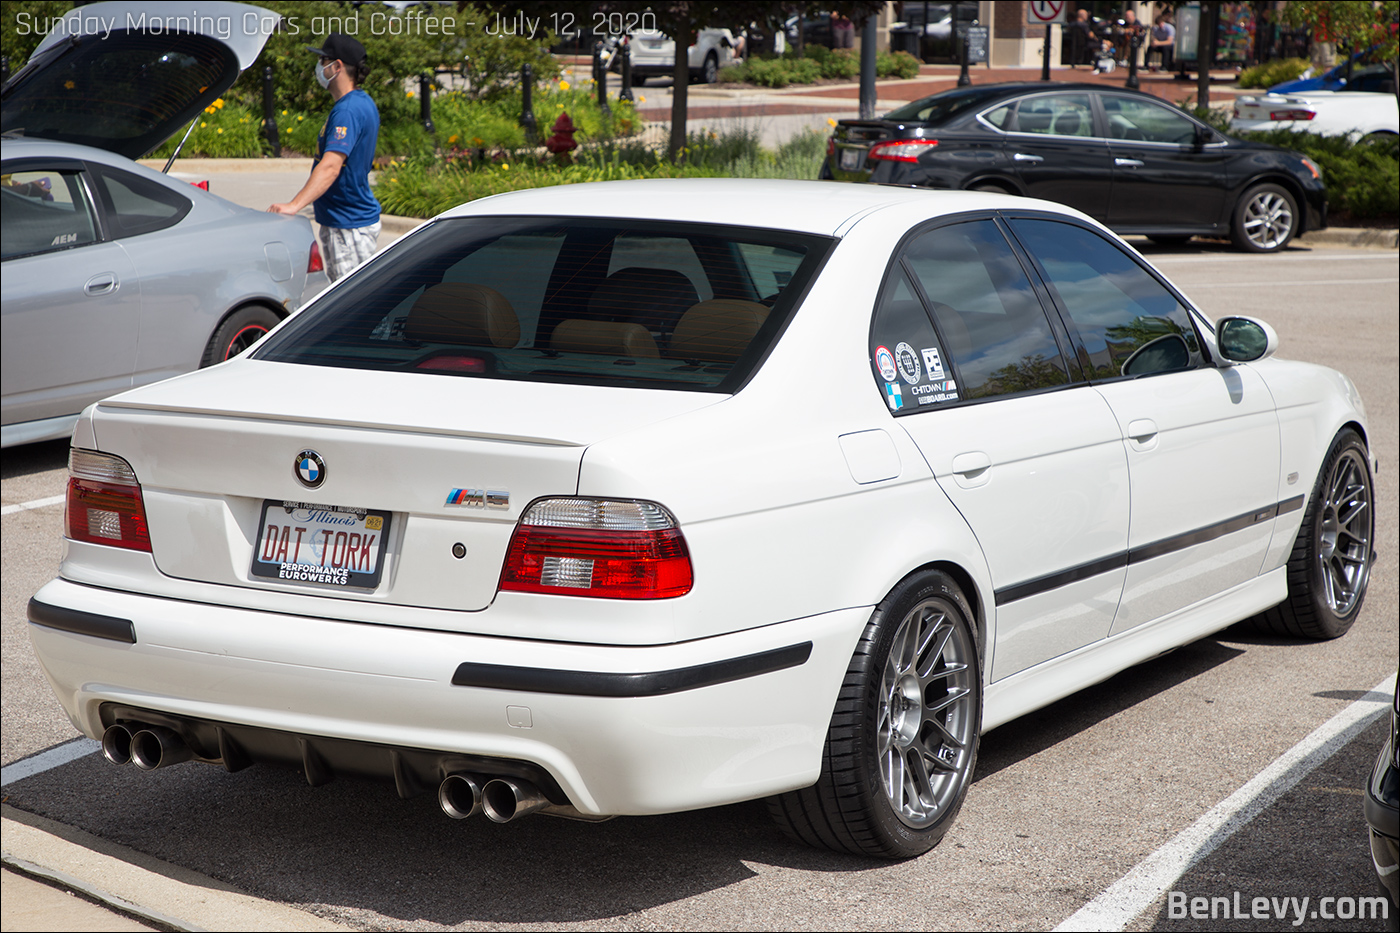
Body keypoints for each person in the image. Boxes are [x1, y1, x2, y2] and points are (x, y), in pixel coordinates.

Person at [269, 34, 381, 282]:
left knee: (351, 304)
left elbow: (331, 166)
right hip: (347, 221)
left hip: (348, 225)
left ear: (337, 66)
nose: (319, 67)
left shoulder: (348, 110)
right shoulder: (360, 102)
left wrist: (294, 206)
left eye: (323, 60)